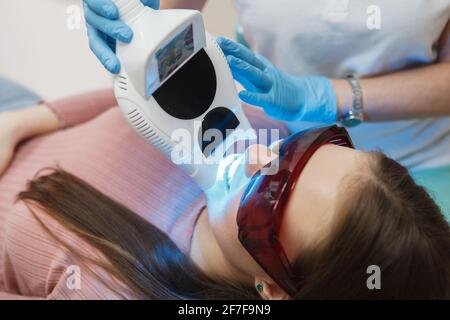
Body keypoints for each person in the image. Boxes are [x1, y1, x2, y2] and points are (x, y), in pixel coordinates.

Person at [0, 86, 449, 299]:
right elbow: (139, 97)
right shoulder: (264, 129)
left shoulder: (113, 290)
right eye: (295, 150)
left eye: (269, 194)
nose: (257, 155)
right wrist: (22, 122)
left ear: (273, 289)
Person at [82, 0, 450, 214]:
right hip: (270, 127)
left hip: (419, 152)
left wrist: (327, 97)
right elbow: (168, 31)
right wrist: (125, 18)